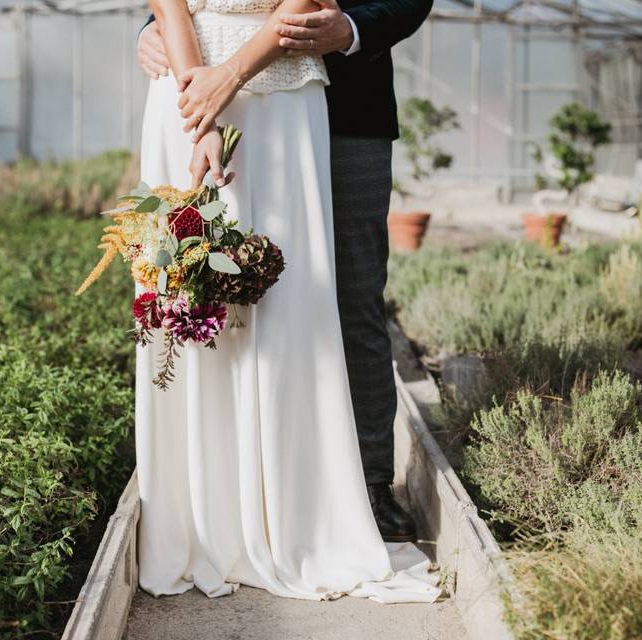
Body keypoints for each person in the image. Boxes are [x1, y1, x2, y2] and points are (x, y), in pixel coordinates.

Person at [136, 0, 438, 601]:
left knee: (347, 299)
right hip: (209, 83)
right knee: (204, 295)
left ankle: (368, 485)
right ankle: (219, 496)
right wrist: (156, 33)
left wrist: (351, 29)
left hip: (336, 100)